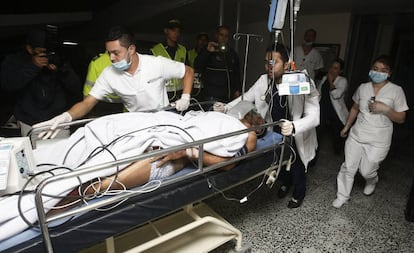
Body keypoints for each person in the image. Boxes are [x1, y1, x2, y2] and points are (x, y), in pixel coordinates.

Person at [33, 25, 194, 139]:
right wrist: (66, 117)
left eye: (116, 53)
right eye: (109, 53)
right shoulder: (109, 74)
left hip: (162, 122)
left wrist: (185, 97)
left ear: (131, 49)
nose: (111, 58)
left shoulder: (156, 64)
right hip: (134, 125)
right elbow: (88, 102)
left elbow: (188, 71)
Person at [226, 43, 320, 208]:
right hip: (276, 129)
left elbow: (314, 117)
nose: (269, 67)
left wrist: (295, 126)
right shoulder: (264, 80)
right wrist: (226, 106)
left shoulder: (297, 82)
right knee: (280, 161)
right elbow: (246, 98)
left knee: (296, 164)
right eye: (266, 62)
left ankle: (299, 193)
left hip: (296, 131)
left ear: (285, 64)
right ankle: (285, 183)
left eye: (274, 62)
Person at [332, 55, 409, 208]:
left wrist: (386, 109)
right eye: (375, 69)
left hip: (378, 139)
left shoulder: (396, 91)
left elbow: (401, 118)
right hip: (357, 134)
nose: (378, 72)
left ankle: (372, 180)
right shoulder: (363, 87)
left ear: (389, 73)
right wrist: (347, 126)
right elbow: (355, 107)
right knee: (348, 166)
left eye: (383, 70)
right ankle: (342, 195)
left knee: (367, 170)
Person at [0, 28, 83, 137]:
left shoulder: (57, 59)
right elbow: (9, 85)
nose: (45, 55)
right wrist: (33, 66)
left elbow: (76, 88)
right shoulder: (15, 61)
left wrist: (61, 70)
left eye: (47, 51)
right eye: (41, 51)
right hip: (29, 122)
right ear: (30, 49)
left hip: (58, 121)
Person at [194, 25, 242, 103]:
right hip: (211, 96)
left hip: (227, 97)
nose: (224, 38)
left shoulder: (231, 53)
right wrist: (207, 52)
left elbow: (236, 73)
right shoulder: (208, 49)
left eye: (226, 36)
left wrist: (237, 90)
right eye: (221, 35)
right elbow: (197, 65)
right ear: (216, 35)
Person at [151, 19, 188, 101]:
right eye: (173, 30)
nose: (176, 33)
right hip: (162, 96)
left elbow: (187, 72)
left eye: (178, 31)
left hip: (180, 96)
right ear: (166, 31)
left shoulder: (183, 50)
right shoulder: (155, 50)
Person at [317, 58, 349, 154]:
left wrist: (331, 81)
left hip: (335, 111)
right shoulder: (324, 78)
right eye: (331, 67)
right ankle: (313, 156)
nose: (332, 70)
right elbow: (319, 93)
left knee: (337, 134)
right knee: (318, 133)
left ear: (340, 71)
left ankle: (338, 151)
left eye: (335, 68)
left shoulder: (343, 81)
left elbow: (336, 95)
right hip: (323, 109)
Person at [82, 51, 124, 116]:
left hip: (101, 104)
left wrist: (88, 110)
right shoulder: (127, 59)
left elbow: (88, 87)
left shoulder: (97, 61)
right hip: (123, 104)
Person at [187, 32, 209, 100]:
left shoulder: (209, 54)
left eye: (205, 40)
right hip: (192, 85)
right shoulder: (189, 53)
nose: (203, 42)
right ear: (197, 40)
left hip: (204, 86)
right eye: (201, 39)